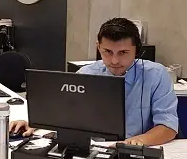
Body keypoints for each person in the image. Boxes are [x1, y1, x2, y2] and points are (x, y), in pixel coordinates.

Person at [10, 17, 178, 146]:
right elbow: (66, 114)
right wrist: (35, 123)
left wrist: (136, 142)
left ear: (137, 51)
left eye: (123, 53)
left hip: (136, 151)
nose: (114, 60)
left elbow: (168, 127)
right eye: (107, 51)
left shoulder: (156, 75)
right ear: (98, 47)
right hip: (93, 151)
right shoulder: (86, 74)